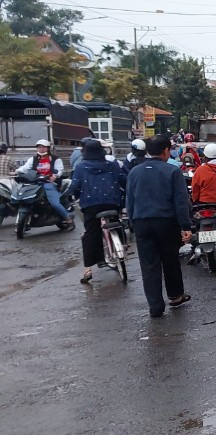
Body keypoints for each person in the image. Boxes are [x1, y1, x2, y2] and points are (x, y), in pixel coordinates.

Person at [126, 136, 192, 318]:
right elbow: (180, 202)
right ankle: (175, 296)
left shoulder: (134, 172)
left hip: (142, 223)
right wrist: (185, 225)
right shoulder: (173, 171)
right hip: (166, 222)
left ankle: (155, 306)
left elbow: (129, 201)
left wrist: (133, 223)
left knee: (149, 265)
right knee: (170, 260)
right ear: (165, 151)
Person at [69, 139, 128, 283]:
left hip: (91, 204)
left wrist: (72, 195)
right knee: (117, 221)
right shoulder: (112, 164)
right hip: (113, 202)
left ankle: (88, 269)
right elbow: (123, 179)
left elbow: (75, 185)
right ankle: (123, 244)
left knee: (91, 233)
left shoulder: (81, 167)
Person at [16, 139, 72, 229]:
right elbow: (25, 168)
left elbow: (59, 170)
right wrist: (16, 171)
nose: (41, 149)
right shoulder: (33, 159)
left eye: (43, 147)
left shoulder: (55, 159)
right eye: (39, 147)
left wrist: (55, 176)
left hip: (49, 183)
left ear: (48, 148)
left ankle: (69, 220)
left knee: (55, 203)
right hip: (35, 183)